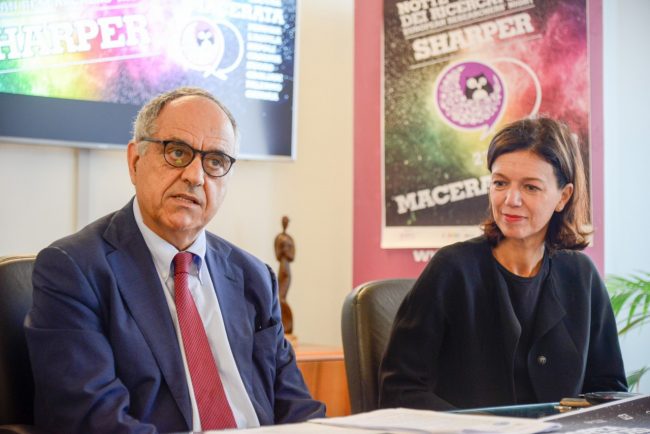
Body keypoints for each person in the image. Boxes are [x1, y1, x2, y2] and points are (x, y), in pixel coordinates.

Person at [24, 87, 325, 433]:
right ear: (135, 161)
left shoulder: (254, 277)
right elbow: (95, 421)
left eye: (215, 161)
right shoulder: (74, 270)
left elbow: (298, 410)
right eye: (177, 152)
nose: (195, 176)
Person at [378, 117, 627, 411]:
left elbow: (609, 393)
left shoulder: (582, 276)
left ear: (563, 196)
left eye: (531, 187)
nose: (511, 199)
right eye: (500, 183)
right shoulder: (451, 269)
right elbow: (399, 389)